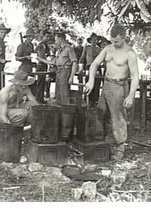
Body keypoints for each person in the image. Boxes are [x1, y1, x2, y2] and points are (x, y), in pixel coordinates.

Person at [84, 24, 139, 161]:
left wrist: (131, 95)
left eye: (117, 41)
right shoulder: (108, 49)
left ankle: (119, 149)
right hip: (107, 84)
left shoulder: (130, 53)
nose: (114, 43)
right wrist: (91, 81)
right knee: (101, 113)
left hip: (120, 86)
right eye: (112, 40)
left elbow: (135, 75)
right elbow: (94, 64)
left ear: (124, 38)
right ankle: (105, 144)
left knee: (118, 119)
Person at [35, 32, 78, 104]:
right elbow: (52, 62)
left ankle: (66, 112)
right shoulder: (59, 51)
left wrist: (71, 77)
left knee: (64, 93)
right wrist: (40, 59)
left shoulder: (69, 48)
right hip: (58, 72)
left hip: (65, 71)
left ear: (60, 39)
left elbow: (74, 62)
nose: (55, 42)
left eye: (56, 40)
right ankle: (59, 111)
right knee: (58, 94)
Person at [79, 33, 102, 106]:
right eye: (93, 40)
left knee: (96, 84)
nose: (94, 41)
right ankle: (87, 100)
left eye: (95, 40)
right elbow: (82, 58)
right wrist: (80, 68)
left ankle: (95, 101)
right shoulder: (86, 48)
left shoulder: (99, 49)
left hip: (97, 67)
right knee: (88, 83)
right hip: (88, 66)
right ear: (90, 40)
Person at [34, 31, 52, 103]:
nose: (48, 38)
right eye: (47, 36)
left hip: (45, 64)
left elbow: (47, 55)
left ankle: (40, 98)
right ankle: (38, 98)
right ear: (43, 36)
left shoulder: (46, 45)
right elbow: (37, 54)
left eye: (49, 36)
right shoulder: (41, 45)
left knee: (43, 82)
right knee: (40, 82)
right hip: (40, 65)